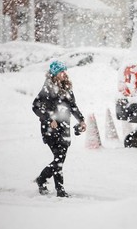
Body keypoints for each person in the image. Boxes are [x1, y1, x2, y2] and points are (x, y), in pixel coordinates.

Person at [32, 61, 86, 197]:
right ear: (55, 74)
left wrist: (81, 120)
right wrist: (49, 119)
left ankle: (42, 179)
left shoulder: (66, 88)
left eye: (65, 71)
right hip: (50, 129)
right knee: (59, 158)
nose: (64, 74)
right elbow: (35, 107)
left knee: (59, 159)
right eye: (61, 71)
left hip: (64, 128)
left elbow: (73, 106)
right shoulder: (47, 88)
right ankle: (60, 190)